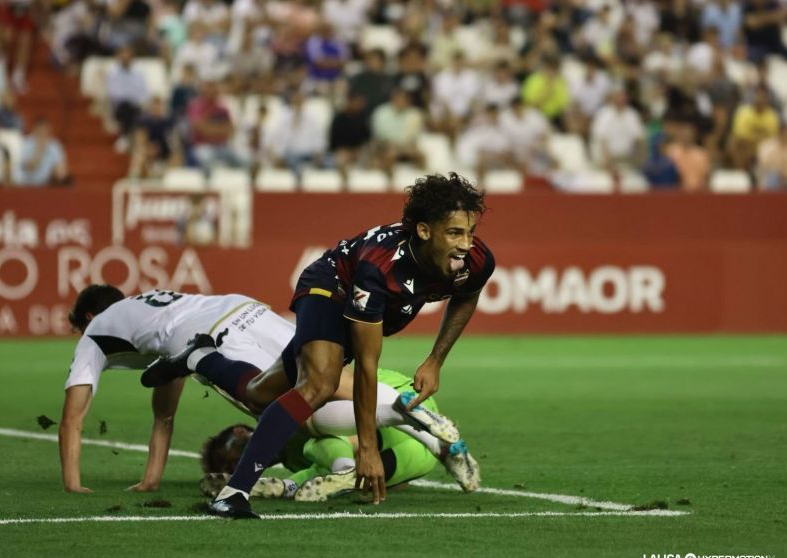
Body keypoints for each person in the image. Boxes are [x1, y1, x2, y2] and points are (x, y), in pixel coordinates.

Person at [142, 173, 494, 518]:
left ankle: (198, 356)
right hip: (331, 287)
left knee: (259, 395)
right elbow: (367, 365)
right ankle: (234, 494)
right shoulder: (380, 268)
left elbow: (468, 294)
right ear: (424, 230)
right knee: (320, 384)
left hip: (365, 310)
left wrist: (435, 360)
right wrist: (367, 448)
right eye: (454, 233)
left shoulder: (475, 259)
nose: (466, 244)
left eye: (470, 232)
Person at [60, 286, 461, 493]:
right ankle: (418, 420)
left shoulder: (96, 331)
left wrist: (72, 484)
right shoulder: (153, 309)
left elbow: (71, 419)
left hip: (214, 336)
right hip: (246, 309)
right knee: (325, 384)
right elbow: (164, 411)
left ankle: (354, 450)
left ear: (89, 316)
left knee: (287, 409)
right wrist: (151, 479)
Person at [200, 368, 481, 503]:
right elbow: (318, 472)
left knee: (314, 433)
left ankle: (348, 465)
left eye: (236, 462)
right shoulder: (290, 457)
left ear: (239, 432)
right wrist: (287, 485)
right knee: (320, 450)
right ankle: (439, 446)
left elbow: (331, 385)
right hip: (413, 454)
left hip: (385, 396)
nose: (244, 466)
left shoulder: (276, 410)